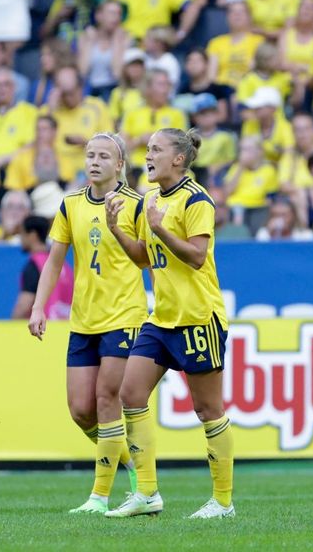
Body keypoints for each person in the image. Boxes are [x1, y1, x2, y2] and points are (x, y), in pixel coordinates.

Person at [103, 128, 235, 519]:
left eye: (156, 149)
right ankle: (146, 493)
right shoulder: (150, 200)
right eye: (147, 149)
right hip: (161, 319)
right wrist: (117, 230)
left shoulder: (197, 199)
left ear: (178, 158)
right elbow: (145, 258)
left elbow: (196, 256)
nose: (148, 155)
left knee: (208, 410)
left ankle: (223, 501)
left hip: (198, 317)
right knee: (131, 394)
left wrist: (160, 227)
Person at [14, 214, 73, 320]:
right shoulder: (63, 265)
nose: (20, 239)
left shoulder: (34, 265)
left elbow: (24, 306)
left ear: (32, 235)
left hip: (44, 328)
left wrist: (10, 328)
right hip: (66, 327)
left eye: (22, 234)